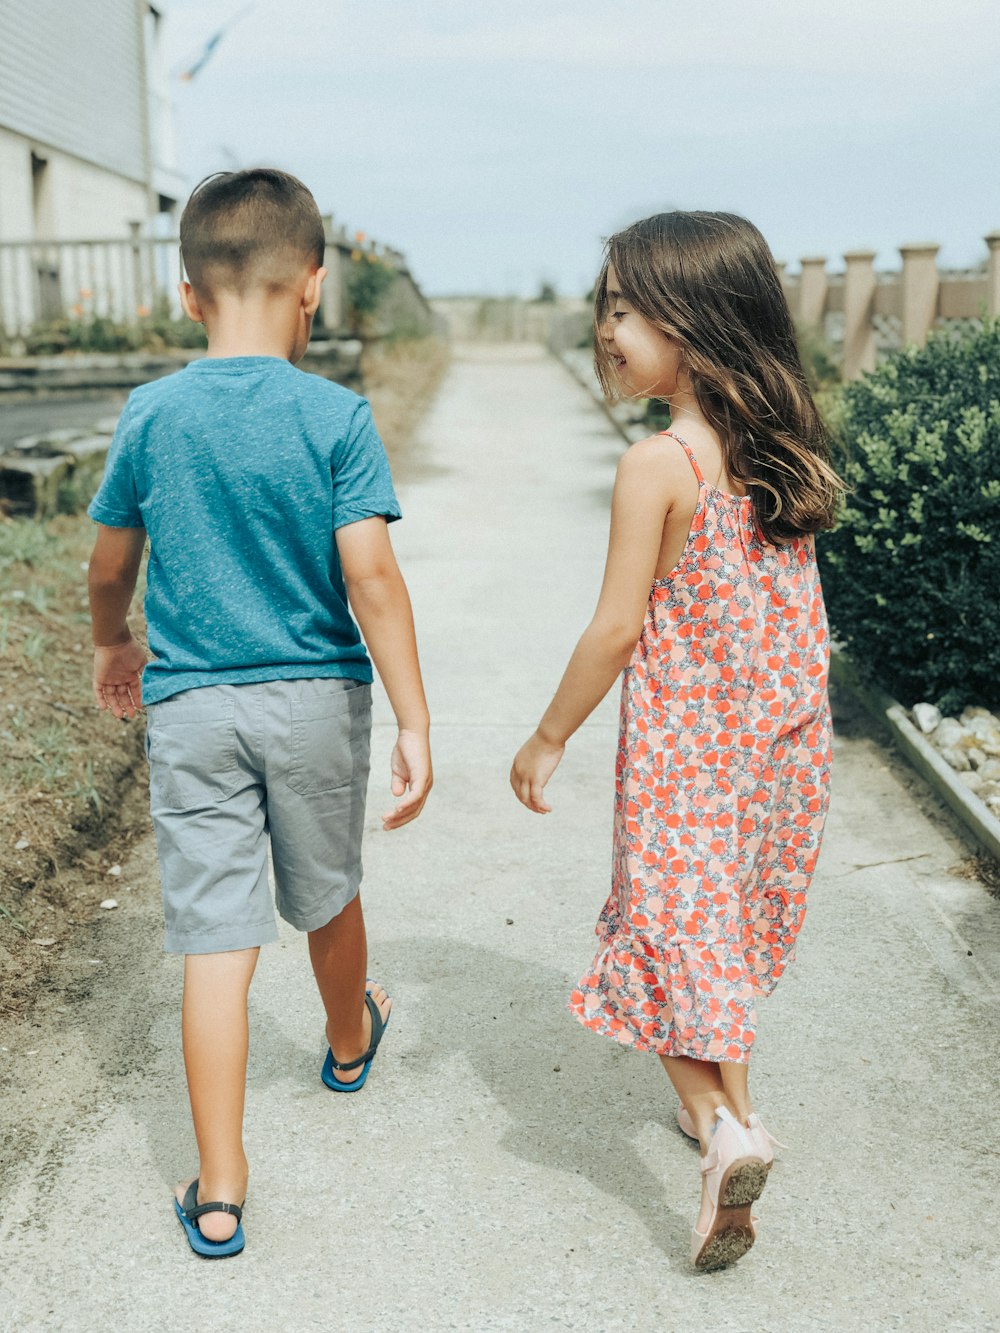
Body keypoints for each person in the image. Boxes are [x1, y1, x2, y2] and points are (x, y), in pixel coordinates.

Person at [87, 169, 432, 1259]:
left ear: (187, 295)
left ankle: (223, 1186)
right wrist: (416, 718)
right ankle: (344, 1037)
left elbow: (108, 564)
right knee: (328, 894)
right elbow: (371, 577)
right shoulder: (334, 414)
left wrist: (113, 640)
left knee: (214, 943)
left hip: (192, 707)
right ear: (312, 288)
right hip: (316, 699)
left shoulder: (152, 413)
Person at [511, 211, 841, 1270]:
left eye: (622, 308)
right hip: (777, 758)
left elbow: (616, 627)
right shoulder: (779, 450)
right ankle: (736, 1126)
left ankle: (722, 1131)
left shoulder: (659, 464)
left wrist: (548, 734)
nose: (603, 329)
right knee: (717, 954)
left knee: (658, 952)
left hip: (682, 762)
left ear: (692, 326)